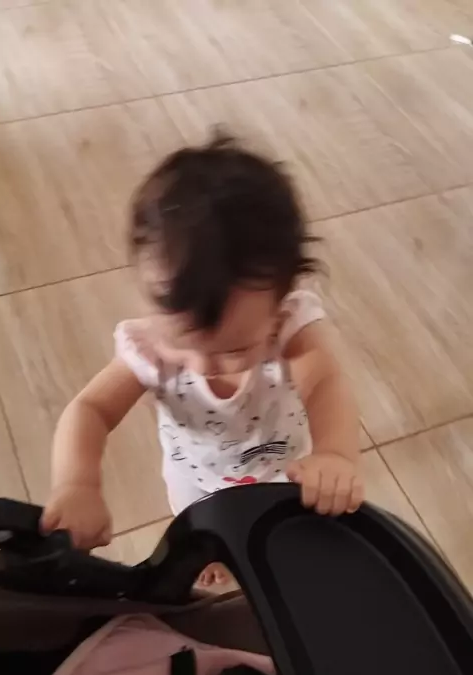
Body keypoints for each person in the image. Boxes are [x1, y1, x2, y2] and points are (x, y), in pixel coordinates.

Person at [42, 133, 364, 583]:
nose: (201, 366)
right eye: (181, 343)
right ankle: (214, 551)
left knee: (289, 532)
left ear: (280, 308)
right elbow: (90, 409)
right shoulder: (149, 349)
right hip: (194, 478)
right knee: (204, 536)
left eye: (234, 350)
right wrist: (77, 484)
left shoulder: (291, 329)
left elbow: (325, 383)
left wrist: (335, 453)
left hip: (283, 465)